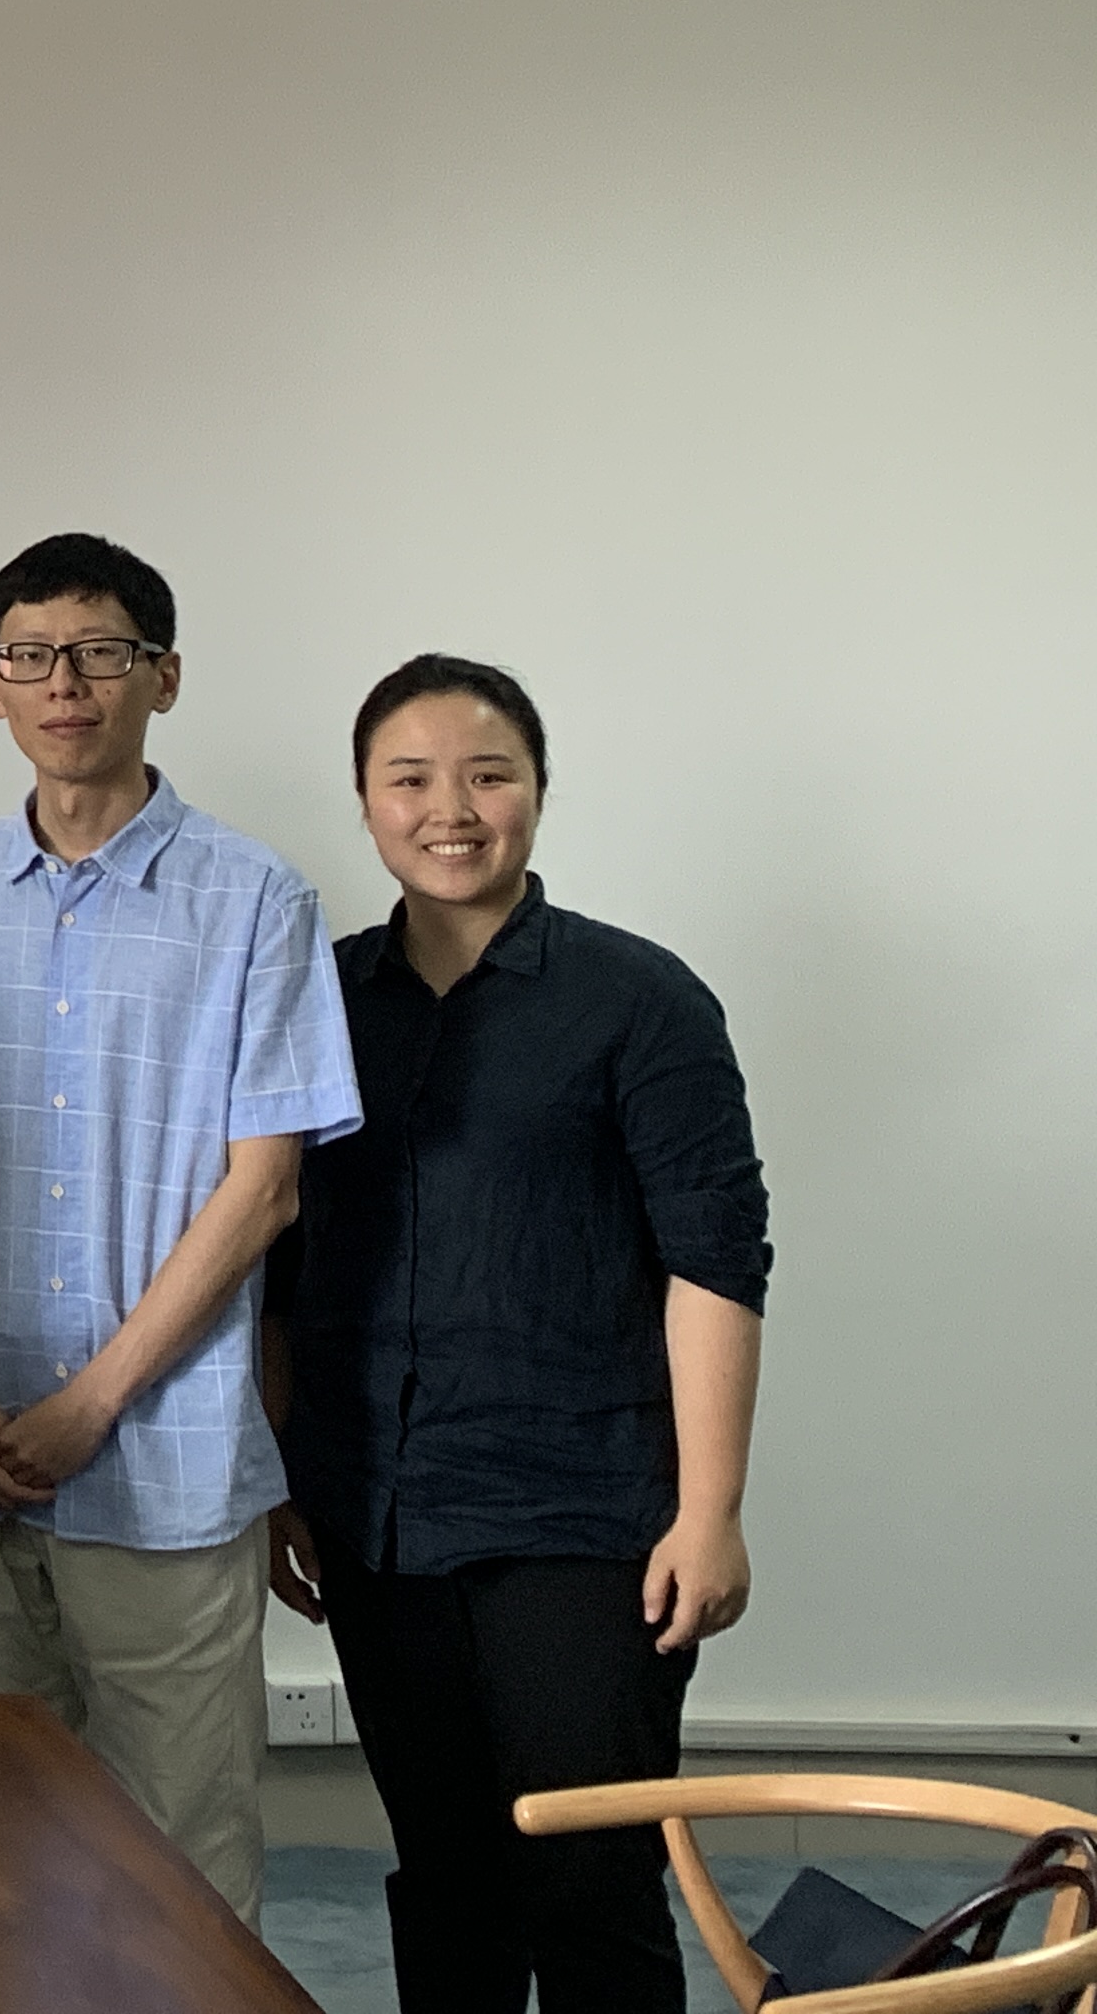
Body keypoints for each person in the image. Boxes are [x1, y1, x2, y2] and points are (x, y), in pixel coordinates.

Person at [270, 657, 770, 2014]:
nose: (451, 809)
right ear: (365, 802)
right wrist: (282, 1477)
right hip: (376, 1512)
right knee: (446, 1875)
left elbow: (717, 1263)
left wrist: (711, 1513)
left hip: (585, 1515)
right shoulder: (315, 1000)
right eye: (411, 779)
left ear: (538, 791)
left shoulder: (639, 1000)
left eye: (488, 775)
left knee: (591, 1882)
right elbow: (280, 1266)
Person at [0, 532, 361, 1923]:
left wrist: (95, 1401)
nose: (66, 685)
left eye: (100, 654)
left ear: (164, 676)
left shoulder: (256, 898)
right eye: (30, 657)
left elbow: (265, 1188)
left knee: (180, 1855)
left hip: (166, 1457)